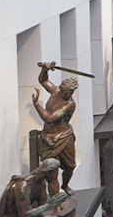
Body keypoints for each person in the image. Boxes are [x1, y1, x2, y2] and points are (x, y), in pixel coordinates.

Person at [32, 62, 79, 195]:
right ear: (61, 88)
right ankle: (55, 201)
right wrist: (44, 69)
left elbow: (49, 118)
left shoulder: (69, 104)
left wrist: (36, 105)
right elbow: (43, 80)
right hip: (48, 137)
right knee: (51, 172)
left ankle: (65, 185)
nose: (67, 94)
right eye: (66, 91)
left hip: (64, 136)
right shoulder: (56, 92)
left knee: (70, 167)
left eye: (70, 92)